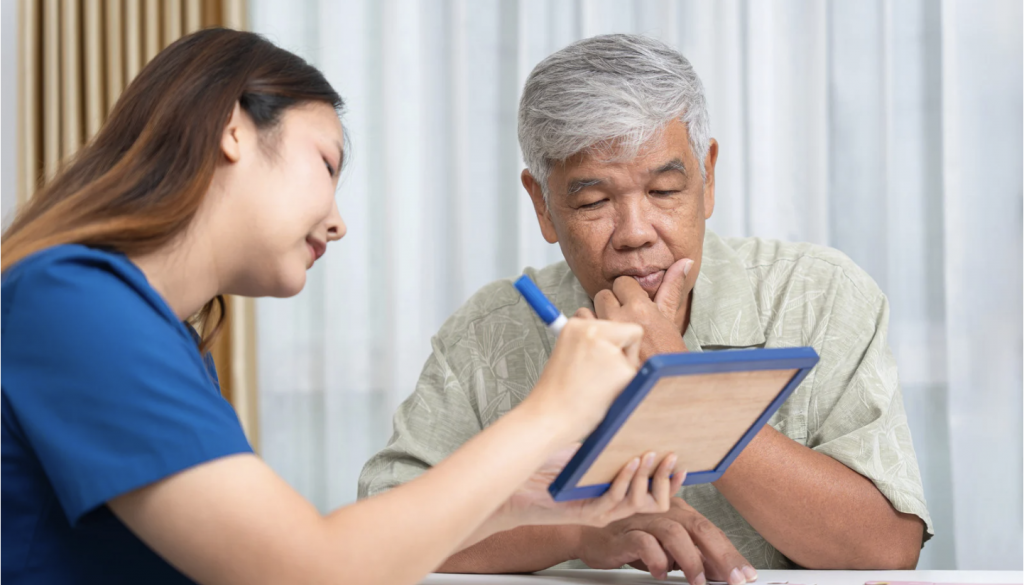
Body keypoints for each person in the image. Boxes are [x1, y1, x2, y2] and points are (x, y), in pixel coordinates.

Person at [0, 29, 685, 585]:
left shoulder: (154, 331)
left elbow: (292, 550)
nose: (337, 222)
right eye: (327, 165)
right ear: (232, 130)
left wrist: (521, 501)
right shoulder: (73, 305)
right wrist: (552, 409)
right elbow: (306, 567)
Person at [359, 33, 933, 585]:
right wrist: (576, 529)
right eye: (594, 200)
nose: (635, 232)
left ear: (708, 177)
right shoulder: (490, 331)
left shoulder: (819, 293)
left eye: (663, 192)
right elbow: (379, 536)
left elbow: (886, 548)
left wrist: (683, 386)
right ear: (543, 205)